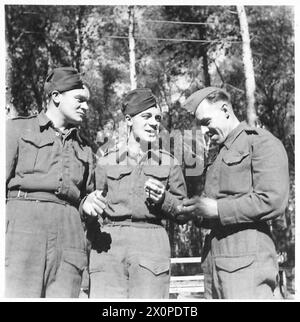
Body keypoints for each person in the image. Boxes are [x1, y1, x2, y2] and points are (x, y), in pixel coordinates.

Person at [179, 86, 289, 299]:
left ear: (225, 110)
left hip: (247, 261)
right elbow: (215, 207)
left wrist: (217, 209)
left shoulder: (260, 142)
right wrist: (196, 211)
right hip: (214, 261)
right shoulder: (218, 155)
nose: (203, 131)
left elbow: (273, 200)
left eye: (206, 122)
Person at [5, 67, 106, 298]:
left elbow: (84, 199)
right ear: (56, 96)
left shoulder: (86, 149)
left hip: (69, 237)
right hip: (21, 233)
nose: (86, 107)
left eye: (87, 101)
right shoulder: (16, 129)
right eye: (80, 100)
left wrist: (87, 205)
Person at [88, 88, 189, 299]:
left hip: (151, 248)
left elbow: (184, 213)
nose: (154, 122)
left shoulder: (169, 162)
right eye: (146, 116)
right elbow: (90, 211)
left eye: (157, 118)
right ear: (128, 120)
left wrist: (164, 199)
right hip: (108, 250)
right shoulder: (106, 160)